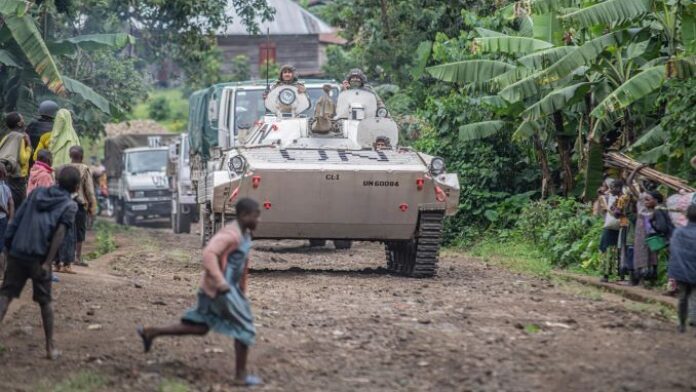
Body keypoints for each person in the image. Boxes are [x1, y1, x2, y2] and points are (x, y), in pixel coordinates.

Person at [137, 198, 262, 386]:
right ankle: (240, 376)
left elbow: (242, 265)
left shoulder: (245, 235)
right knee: (245, 328)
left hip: (224, 291)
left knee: (200, 327)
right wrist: (221, 282)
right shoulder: (231, 234)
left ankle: (150, 332)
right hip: (220, 292)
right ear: (244, 216)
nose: (259, 219)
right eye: (256, 215)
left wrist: (243, 289)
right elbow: (209, 253)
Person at [0, 166, 79, 360]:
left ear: (57, 181)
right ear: (76, 187)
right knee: (45, 302)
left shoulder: (37, 194)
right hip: (39, 257)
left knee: (6, 295)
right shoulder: (69, 205)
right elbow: (59, 234)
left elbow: (17, 218)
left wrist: (9, 245)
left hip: (18, 251)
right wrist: (48, 263)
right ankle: (50, 348)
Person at [56, 146, 96, 271]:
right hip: (79, 204)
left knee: (64, 230)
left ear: (69, 155)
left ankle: (60, 259)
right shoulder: (84, 169)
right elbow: (89, 190)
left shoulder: (62, 168)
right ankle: (77, 258)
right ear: (82, 156)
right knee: (79, 231)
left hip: (63, 202)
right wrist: (92, 206)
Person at [668, 203, 696, 333]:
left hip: (681, 271)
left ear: (686, 215)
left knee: (683, 297)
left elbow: (672, 250)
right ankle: (693, 320)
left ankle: (681, 323)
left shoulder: (678, 232)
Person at [0, 112, 33, 208]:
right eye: (22, 119)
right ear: (19, 123)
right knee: (18, 206)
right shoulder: (20, 137)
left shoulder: (7, 136)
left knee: (7, 203)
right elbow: (23, 159)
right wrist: (29, 147)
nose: (24, 120)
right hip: (18, 178)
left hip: (6, 175)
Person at [598, 179, 623, 282]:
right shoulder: (607, 198)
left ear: (619, 188)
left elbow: (617, 213)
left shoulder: (623, 198)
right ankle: (606, 274)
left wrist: (608, 208)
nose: (612, 189)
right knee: (605, 249)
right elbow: (602, 212)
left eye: (615, 187)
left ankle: (619, 274)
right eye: (611, 187)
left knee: (618, 251)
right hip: (609, 227)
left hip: (620, 227)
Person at [0, 163, 15, 280]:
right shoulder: (6, 187)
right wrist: (10, 217)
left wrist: (6, 211)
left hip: (2, 218)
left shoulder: (4, 187)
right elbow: (11, 203)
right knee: (3, 246)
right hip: (4, 219)